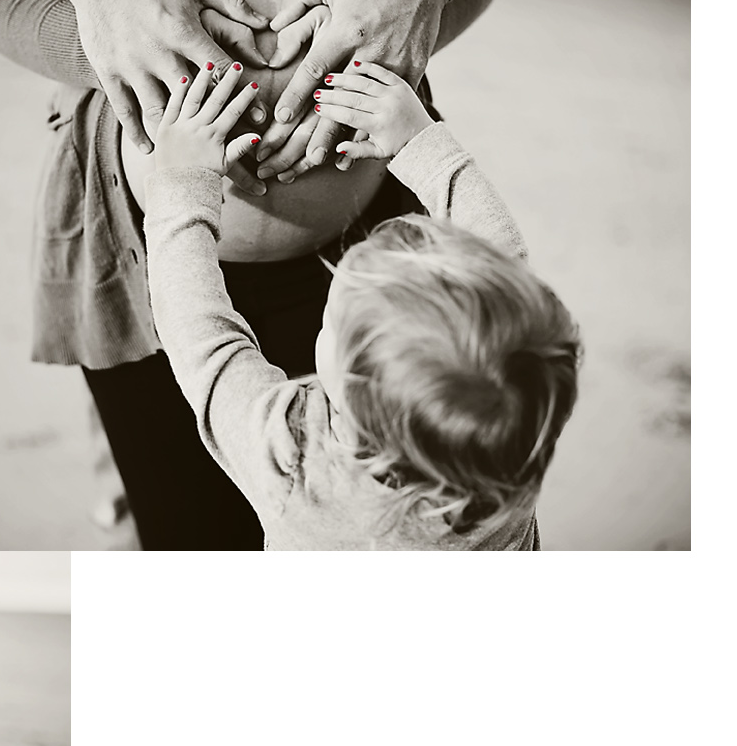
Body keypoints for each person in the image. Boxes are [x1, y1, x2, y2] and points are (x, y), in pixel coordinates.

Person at [0, 0, 528, 550]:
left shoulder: (281, 447)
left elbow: (198, 329)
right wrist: (111, 44)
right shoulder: (507, 437)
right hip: (142, 251)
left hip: (258, 259)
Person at [142, 58, 580, 549]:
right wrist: (421, 141)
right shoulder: (515, 445)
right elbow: (505, 273)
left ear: (345, 388)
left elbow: (201, 337)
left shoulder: (296, 461)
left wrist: (182, 181)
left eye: (329, 322)